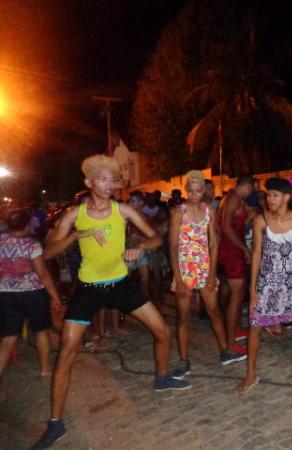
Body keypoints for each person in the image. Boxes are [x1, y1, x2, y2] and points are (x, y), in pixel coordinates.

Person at [32, 155, 189, 449]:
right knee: (66, 351)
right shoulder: (74, 215)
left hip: (120, 285)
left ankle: (162, 377)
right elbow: (48, 252)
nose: (108, 185)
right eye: (102, 179)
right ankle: (55, 423)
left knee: (163, 332)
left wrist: (139, 246)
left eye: (112, 180)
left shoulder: (124, 209)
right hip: (88, 289)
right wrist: (77, 234)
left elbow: (156, 237)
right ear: (89, 182)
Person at [236, 178, 292, 395]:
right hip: (268, 281)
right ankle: (250, 374)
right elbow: (255, 255)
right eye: (268, 195)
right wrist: (252, 290)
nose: (269, 199)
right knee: (254, 325)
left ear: (286, 197)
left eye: (274, 195)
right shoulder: (260, 220)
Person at [170, 171, 245, 378]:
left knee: (214, 311)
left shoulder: (207, 211)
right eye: (191, 191)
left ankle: (225, 351)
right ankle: (184, 361)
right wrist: (178, 278)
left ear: (204, 191)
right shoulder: (178, 212)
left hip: (203, 268)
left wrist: (212, 272)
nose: (194, 194)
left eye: (199, 191)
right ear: (187, 190)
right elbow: (173, 245)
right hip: (185, 269)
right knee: (183, 317)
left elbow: (214, 242)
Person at [0, 209, 61, 386]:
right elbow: (42, 273)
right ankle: (44, 369)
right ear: (27, 225)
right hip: (32, 293)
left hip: (6, 294)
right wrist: (54, 296)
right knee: (41, 331)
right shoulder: (32, 245)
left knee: (8, 337)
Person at [218, 174, 254, 354]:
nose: (252, 192)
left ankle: (236, 329)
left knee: (238, 294)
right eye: (252, 188)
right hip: (232, 250)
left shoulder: (234, 197)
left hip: (232, 249)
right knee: (236, 296)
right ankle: (230, 344)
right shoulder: (233, 198)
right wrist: (244, 248)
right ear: (246, 186)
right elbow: (225, 227)